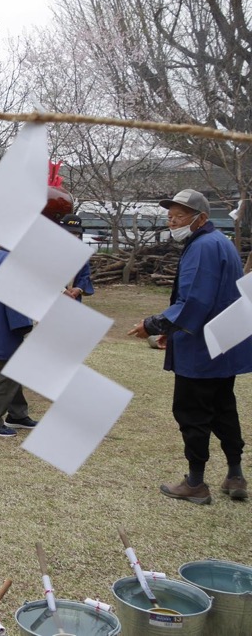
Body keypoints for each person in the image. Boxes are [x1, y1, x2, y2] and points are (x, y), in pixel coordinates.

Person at [127, 189, 252, 504]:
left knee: (192, 412)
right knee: (224, 407)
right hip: (222, 344)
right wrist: (175, 330)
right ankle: (235, 474)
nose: (172, 220)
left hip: (201, 349)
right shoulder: (222, 243)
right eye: (170, 214)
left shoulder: (203, 246)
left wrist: (155, 325)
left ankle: (196, 482)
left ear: (201, 218)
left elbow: (194, 300)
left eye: (180, 215)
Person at [0, 245, 37, 437]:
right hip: (7, 324)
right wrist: (24, 325)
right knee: (9, 373)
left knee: (11, 370)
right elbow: (14, 300)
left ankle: (17, 414)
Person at [60, 214, 94, 301]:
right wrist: (62, 290)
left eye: (76, 233)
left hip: (73, 297)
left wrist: (79, 289)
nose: (73, 236)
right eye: (69, 232)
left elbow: (85, 274)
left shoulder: (81, 251)